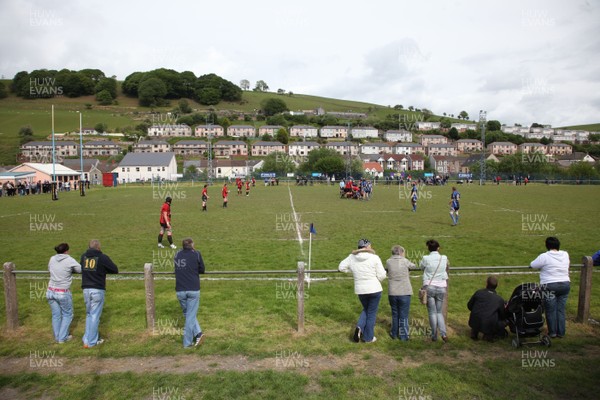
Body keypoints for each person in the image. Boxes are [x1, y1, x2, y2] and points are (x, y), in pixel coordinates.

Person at [339, 239, 387, 343]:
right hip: (375, 289)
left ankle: (359, 327)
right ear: (367, 247)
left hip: (360, 290)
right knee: (371, 313)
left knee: (367, 309)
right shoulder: (375, 257)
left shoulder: (352, 257)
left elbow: (341, 267)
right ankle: (368, 338)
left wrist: (352, 271)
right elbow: (382, 275)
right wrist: (378, 280)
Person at [80, 239, 119, 348]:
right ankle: (92, 342)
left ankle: (86, 340)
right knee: (94, 316)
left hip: (85, 289)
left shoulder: (83, 256)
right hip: (97, 289)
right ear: (99, 247)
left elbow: (81, 268)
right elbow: (114, 269)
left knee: (89, 314)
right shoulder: (102, 257)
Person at [530, 237, 570, 338]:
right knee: (560, 309)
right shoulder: (565, 254)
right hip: (565, 284)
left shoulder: (544, 256)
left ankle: (552, 332)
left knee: (551, 310)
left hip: (550, 285)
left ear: (547, 246)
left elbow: (533, 265)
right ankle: (561, 333)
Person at [174, 237, 206, 348]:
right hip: (193, 289)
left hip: (180, 290)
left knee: (188, 314)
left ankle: (198, 333)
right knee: (190, 316)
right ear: (192, 245)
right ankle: (187, 343)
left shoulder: (177, 255)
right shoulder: (196, 254)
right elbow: (202, 269)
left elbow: (176, 269)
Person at [47, 243, 81, 343]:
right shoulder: (69, 260)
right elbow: (79, 269)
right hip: (62, 292)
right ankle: (62, 338)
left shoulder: (52, 258)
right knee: (67, 315)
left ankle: (57, 337)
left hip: (50, 291)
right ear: (66, 251)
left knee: (56, 315)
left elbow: (49, 268)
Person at [420, 239, 449, 343]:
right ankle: (444, 333)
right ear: (438, 248)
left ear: (428, 248)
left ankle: (434, 335)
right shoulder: (444, 258)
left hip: (430, 286)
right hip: (441, 287)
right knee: (439, 312)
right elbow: (447, 266)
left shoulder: (425, 258)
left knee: (432, 312)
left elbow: (421, 267)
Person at [386, 245, 418, 340]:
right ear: (401, 252)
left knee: (395, 314)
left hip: (392, 292)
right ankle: (404, 336)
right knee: (404, 315)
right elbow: (414, 266)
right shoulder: (405, 261)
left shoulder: (388, 261)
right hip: (404, 291)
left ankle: (394, 333)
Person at [467, 276, 507, 341]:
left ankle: (474, 332)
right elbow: (502, 315)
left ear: (486, 283)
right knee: (503, 321)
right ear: (497, 286)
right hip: (488, 324)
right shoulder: (499, 299)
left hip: (473, 321)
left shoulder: (478, 292)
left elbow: (469, 306)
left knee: (480, 315)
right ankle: (489, 335)